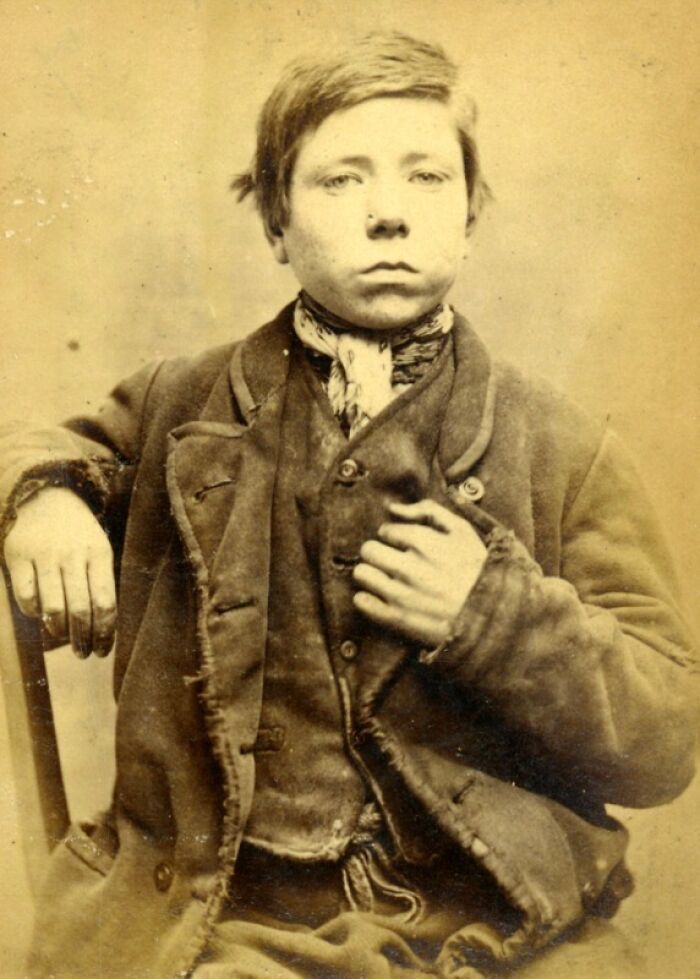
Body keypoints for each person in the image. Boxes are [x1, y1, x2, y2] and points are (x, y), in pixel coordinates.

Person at [0, 31, 696, 979]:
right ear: (276, 223)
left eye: (426, 178)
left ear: (470, 214)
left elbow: (666, 738)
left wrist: (490, 616)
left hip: (497, 917)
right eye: (341, 181)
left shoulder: (564, 447)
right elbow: (49, 445)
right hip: (230, 915)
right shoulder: (181, 404)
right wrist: (40, 497)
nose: (388, 216)